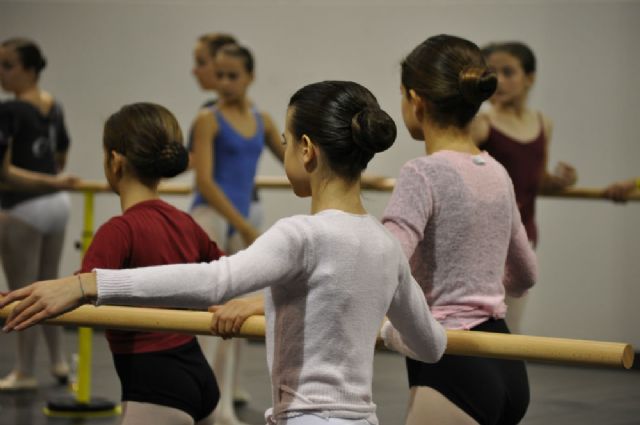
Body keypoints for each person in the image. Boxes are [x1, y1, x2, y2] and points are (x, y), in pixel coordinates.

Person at [1, 80, 448, 425]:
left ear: (307, 150)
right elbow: (430, 346)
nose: (287, 150)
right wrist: (381, 324)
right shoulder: (386, 244)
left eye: (288, 142)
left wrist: (87, 284)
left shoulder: (302, 235)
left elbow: (214, 280)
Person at [382, 34, 537, 425]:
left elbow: (384, 269)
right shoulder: (497, 173)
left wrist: (384, 329)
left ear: (415, 100)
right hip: (503, 356)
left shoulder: (422, 172)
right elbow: (525, 273)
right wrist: (478, 287)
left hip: (448, 360)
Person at [190, 41, 284, 424]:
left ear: (250, 77)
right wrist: (244, 225)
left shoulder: (262, 120)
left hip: (242, 224)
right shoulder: (208, 119)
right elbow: (205, 181)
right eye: (221, 76)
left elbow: (294, 156)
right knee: (208, 319)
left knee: (236, 318)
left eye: (233, 76)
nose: (225, 83)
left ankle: (223, 403)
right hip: (210, 218)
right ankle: (206, 402)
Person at [469, 41, 574, 332]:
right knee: (478, 320)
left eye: (508, 72)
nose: (499, 80)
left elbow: (535, 179)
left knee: (511, 323)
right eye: (491, 72)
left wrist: (562, 180)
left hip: (524, 236)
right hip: (483, 238)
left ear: (530, 77)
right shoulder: (481, 124)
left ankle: (505, 376)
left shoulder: (543, 123)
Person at [0, 38, 74, 391]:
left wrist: (44, 181)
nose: (1, 73)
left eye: (7, 65)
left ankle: (25, 369)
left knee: (21, 291)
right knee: (49, 284)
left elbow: (4, 174)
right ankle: (59, 362)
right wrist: (55, 181)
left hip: (23, 208)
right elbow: (61, 153)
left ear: (30, 69)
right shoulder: (53, 106)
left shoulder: (9, 111)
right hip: (58, 203)